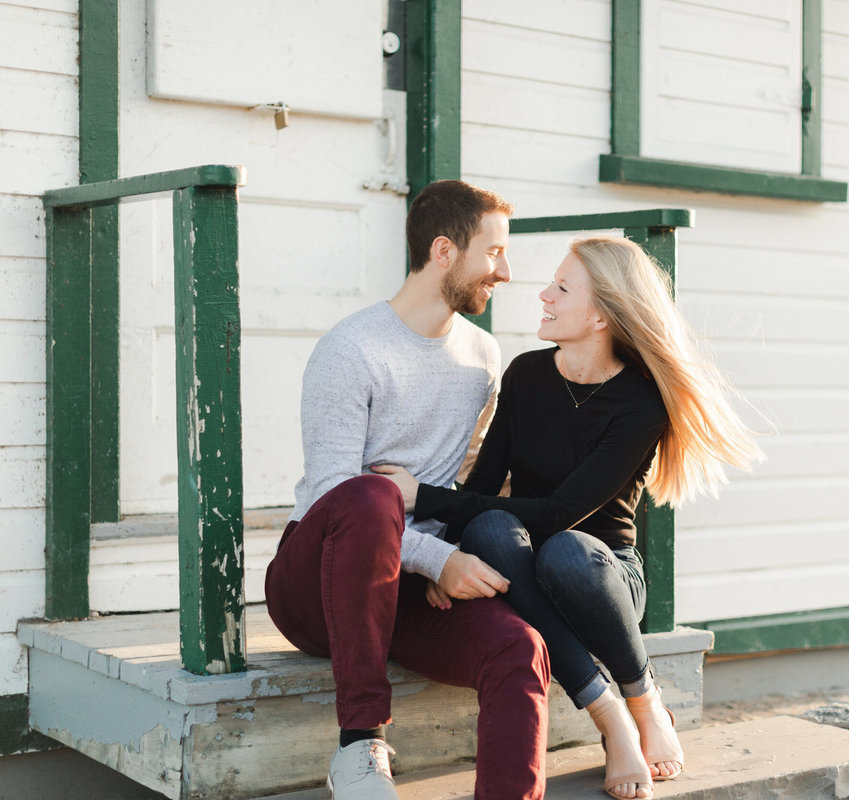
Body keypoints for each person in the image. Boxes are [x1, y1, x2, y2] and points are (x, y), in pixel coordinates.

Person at [374, 236, 762, 800]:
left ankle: (643, 698)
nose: (542, 294)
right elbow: (484, 486)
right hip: (524, 566)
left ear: (601, 313)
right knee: (487, 530)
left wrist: (424, 497)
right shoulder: (528, 374)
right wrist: (445, 558)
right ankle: (609, 715)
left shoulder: (641, 402)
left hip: (600, 575)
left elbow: (559, 514)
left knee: (565, 549)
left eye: (561, 287)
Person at [264, 180, 551, 800]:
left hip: (407, 590)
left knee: (519, 647)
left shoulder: (482, 355)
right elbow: (332, 491)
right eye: (495, 252)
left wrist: (441, 555)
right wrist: (437, 558)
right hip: (316, 586)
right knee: (372, 497)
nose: (506, 271)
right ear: (444, 251)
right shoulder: (353, 348)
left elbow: (470, 480)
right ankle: (360, 745)